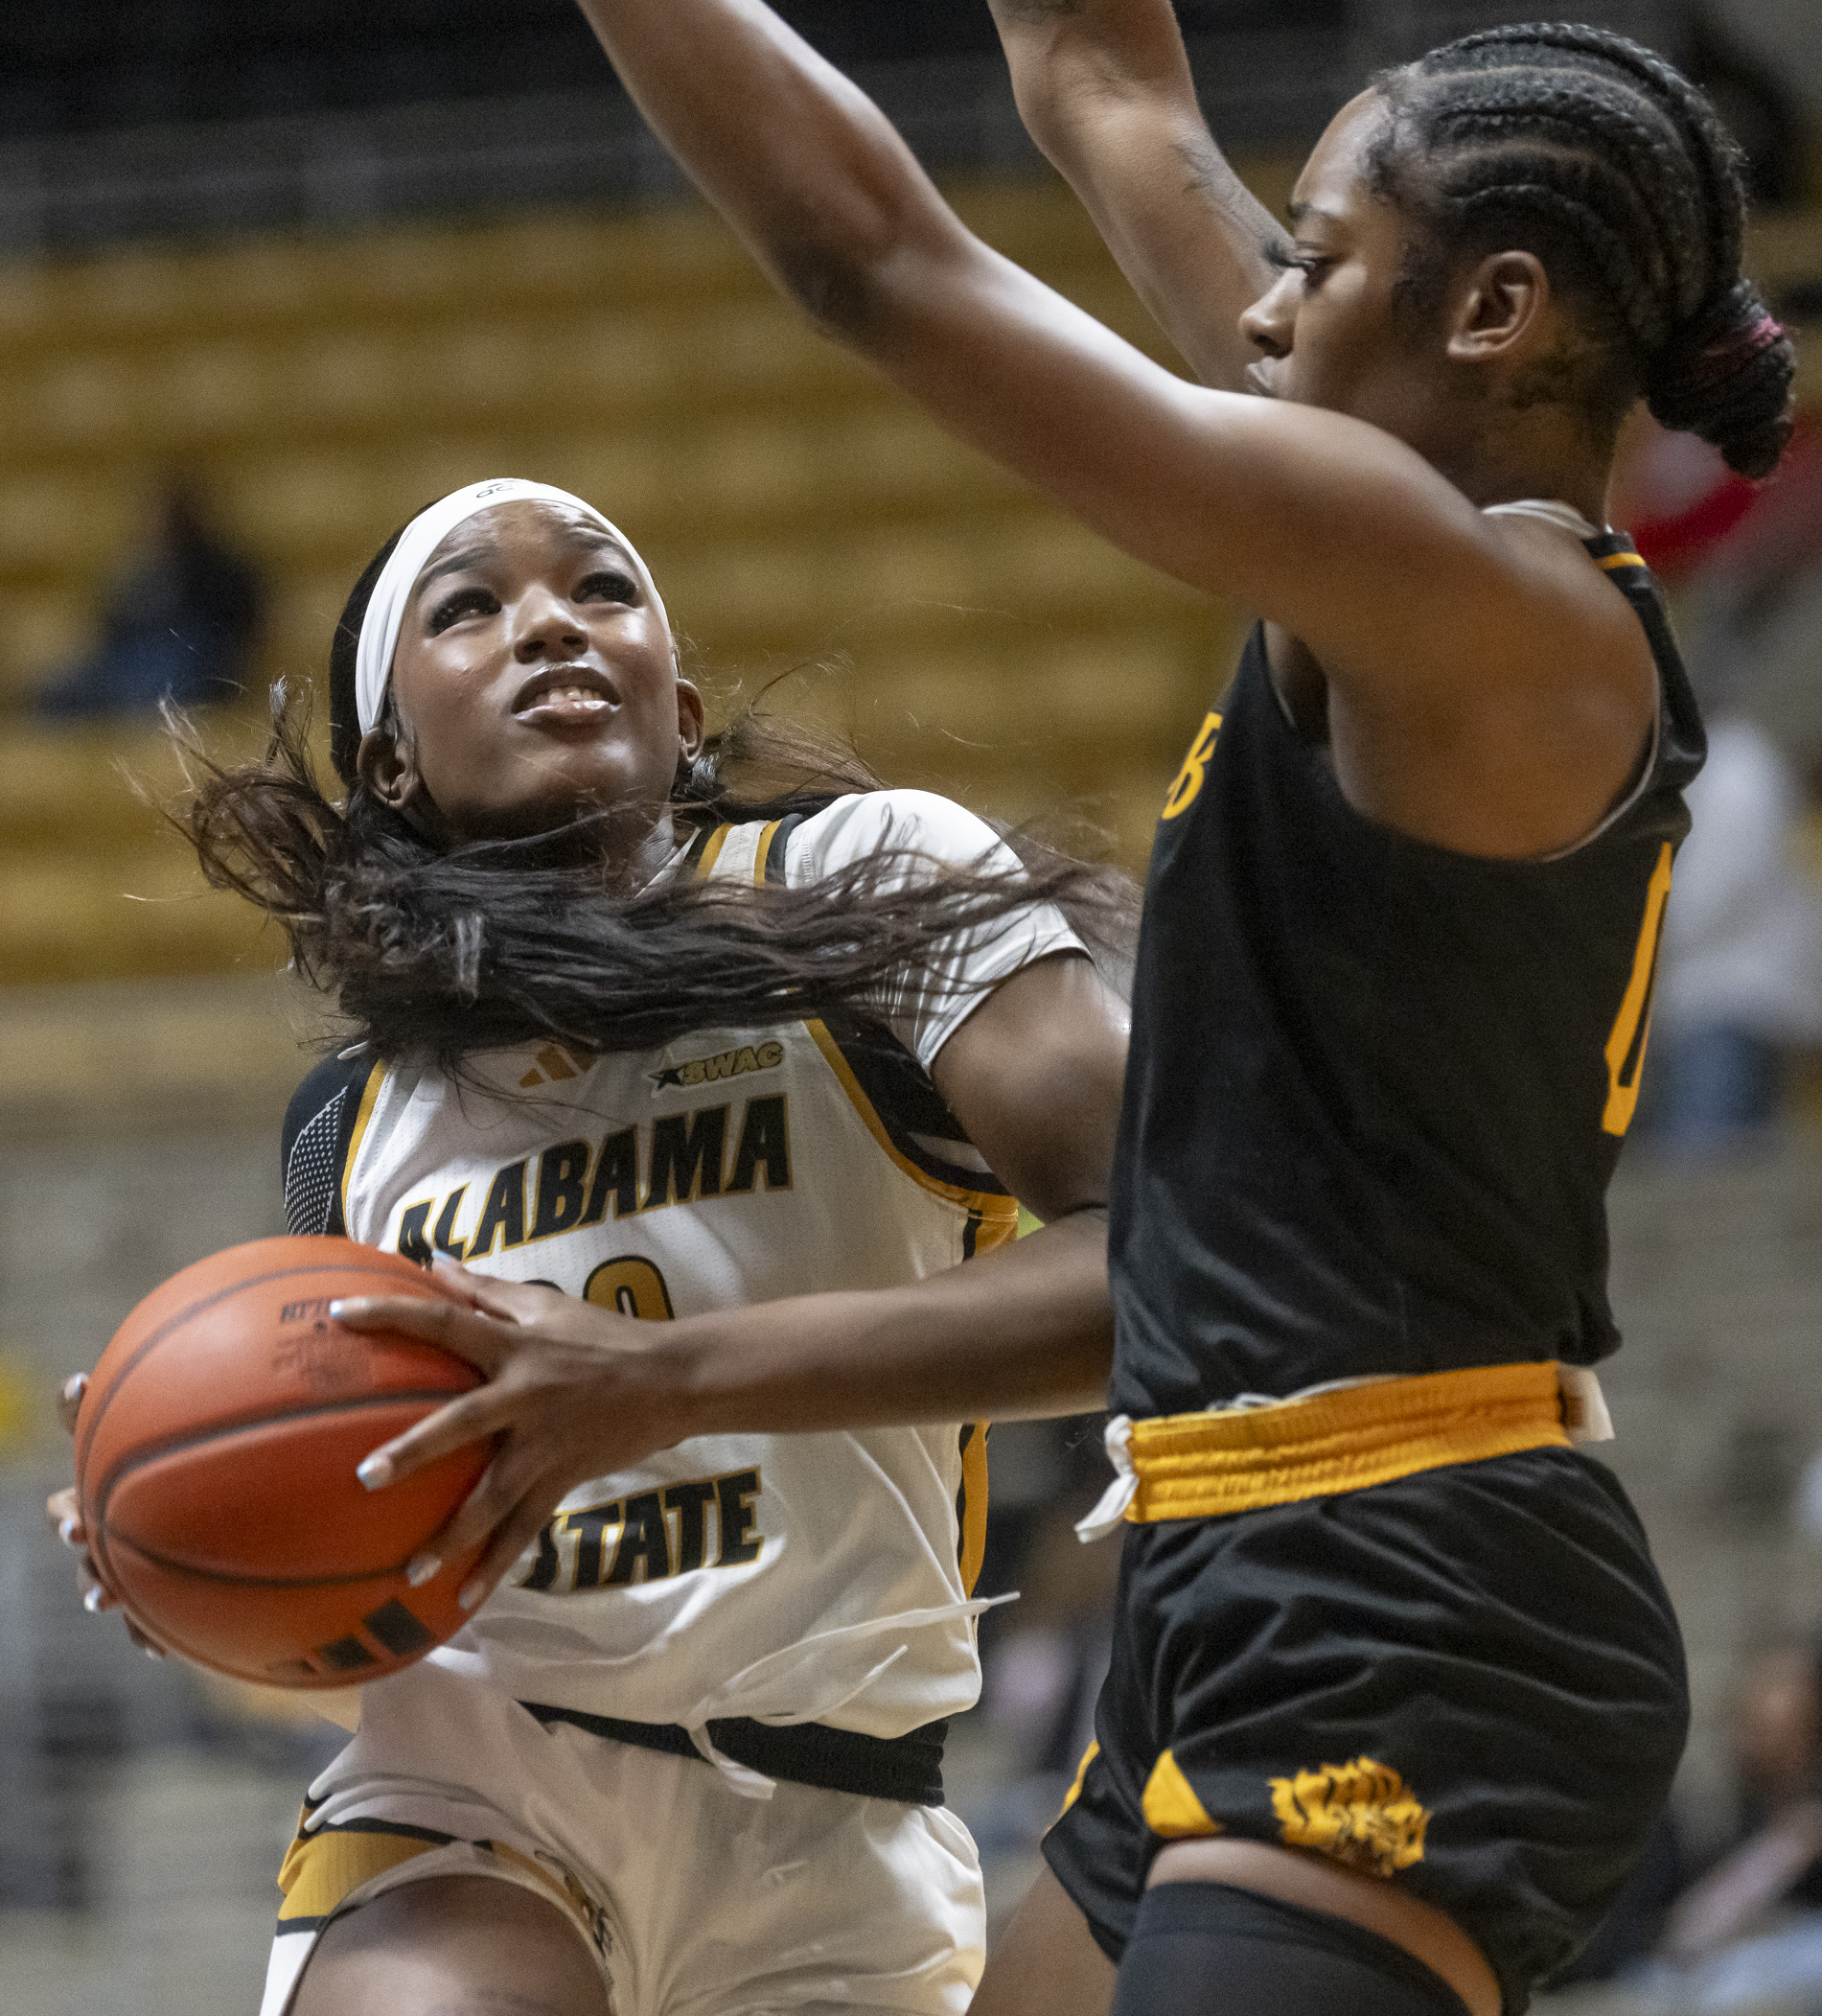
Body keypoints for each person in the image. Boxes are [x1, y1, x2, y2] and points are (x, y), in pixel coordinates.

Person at [558, 6, 1798, 2014]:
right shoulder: (1386, 493)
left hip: (1408, 1584)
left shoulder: (1496, 618)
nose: (1258, 303)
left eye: (1308, 258)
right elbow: (1101, 86)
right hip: (1248, 1562)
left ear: (1486, 310)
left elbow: (866, 261)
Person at [49, 475, 1132, 2016]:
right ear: (391, 763)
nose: (550, 619)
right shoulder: (350, 1120)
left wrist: (672, 1375)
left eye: (602, 589)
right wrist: (202, 1520)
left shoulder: (868, 883)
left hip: (842, 1823)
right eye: (470, 604)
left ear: (679, 710)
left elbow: (1170, 1270)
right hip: (475, 1790)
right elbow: (381, 1512)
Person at [37, 474, 263, 718]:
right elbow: (109, 628)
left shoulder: (221, 568)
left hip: (189, 664)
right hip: (129, 663)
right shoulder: (138, 567)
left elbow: (238, 630)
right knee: (58, 694)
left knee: (163, 692)